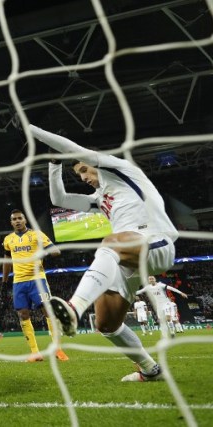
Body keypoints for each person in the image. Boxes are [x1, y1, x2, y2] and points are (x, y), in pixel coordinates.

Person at [31, 124, 178, 382]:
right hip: (126, 260)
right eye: (79, 175)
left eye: (85, 170)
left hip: (156, 243)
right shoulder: (99, 199)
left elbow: (74, 149)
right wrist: (54, 162)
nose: (84, 177)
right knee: (106, 324)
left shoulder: (120, 169)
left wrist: (30, 129)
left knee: (110, 242)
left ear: (96, 162)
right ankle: (149, 369)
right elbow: (59, 199)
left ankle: (74, 309)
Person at [2, 209, 69, 362]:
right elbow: (6, 261)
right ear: (11, 222)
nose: (17, 221)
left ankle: (58, 349)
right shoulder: (8, 240)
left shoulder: (37, 235)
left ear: (25, 220)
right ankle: (35, 352)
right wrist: (4, 282)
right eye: (14, 219)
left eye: (20, 218)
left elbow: (56, 251)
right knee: (23, 314)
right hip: (18, 281)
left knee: (48, 311)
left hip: (37, 279)